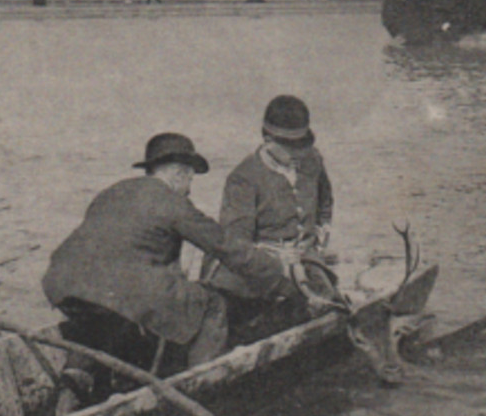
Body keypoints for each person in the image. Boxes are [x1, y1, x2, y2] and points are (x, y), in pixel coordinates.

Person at [42, 133, 292, 387]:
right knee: (212, 304)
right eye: (190, 177)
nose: (189, 186)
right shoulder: (173, 202)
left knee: (104, 315)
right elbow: (227, 248)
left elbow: (115, 248)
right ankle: (200, 387)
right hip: (121, 289)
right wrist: (277, 275)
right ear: (178, 174)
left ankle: (78, 372)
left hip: (61, 284)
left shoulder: (112, 192)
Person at [203, 95, 334, 340]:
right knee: (253, 321)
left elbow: (325, 200)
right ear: (268, 140)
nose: (299, 154)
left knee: (330, 304)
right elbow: (236, 242)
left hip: (305, 257)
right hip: (260, 265)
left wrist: (322, 230)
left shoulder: (312, 159)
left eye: (302, 145)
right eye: (290, 148)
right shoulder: (243, 178)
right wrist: (273, 256)